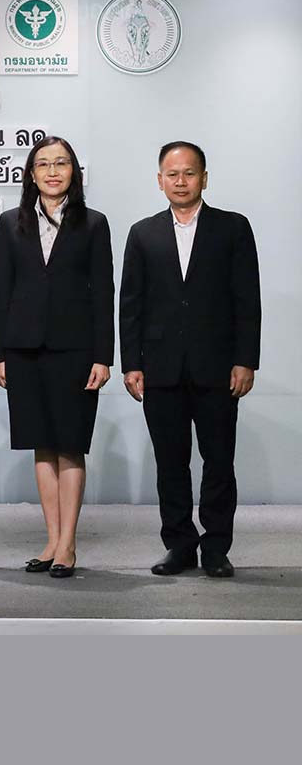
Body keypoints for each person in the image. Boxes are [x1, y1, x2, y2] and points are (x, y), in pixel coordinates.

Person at [120, 141, 261, 578]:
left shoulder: (232, 228)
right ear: (159, 180)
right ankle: (179, 545)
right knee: (170, 463)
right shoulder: (143, 233)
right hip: (160, 368)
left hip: (218, 367)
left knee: (219, 462)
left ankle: (216, 548)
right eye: (172, 174)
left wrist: (246, 360)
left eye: (189, 173)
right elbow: (130, 305)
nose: (180, 181)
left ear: (204, 178)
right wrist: (131, 363)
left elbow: (247, 299)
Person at [0, 136, 114, 578]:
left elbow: (103, 293)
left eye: (61, 163)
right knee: (41, 446)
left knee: (69, 446)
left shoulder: (94, 224)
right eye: (43, 164)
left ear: (74, 172)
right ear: (31, 173)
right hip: (23, 350)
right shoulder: (10, 223)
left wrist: (103, 356)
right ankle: (51, 539)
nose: (52, 171)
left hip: (76, 351)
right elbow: (1, 291)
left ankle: (68, 544)